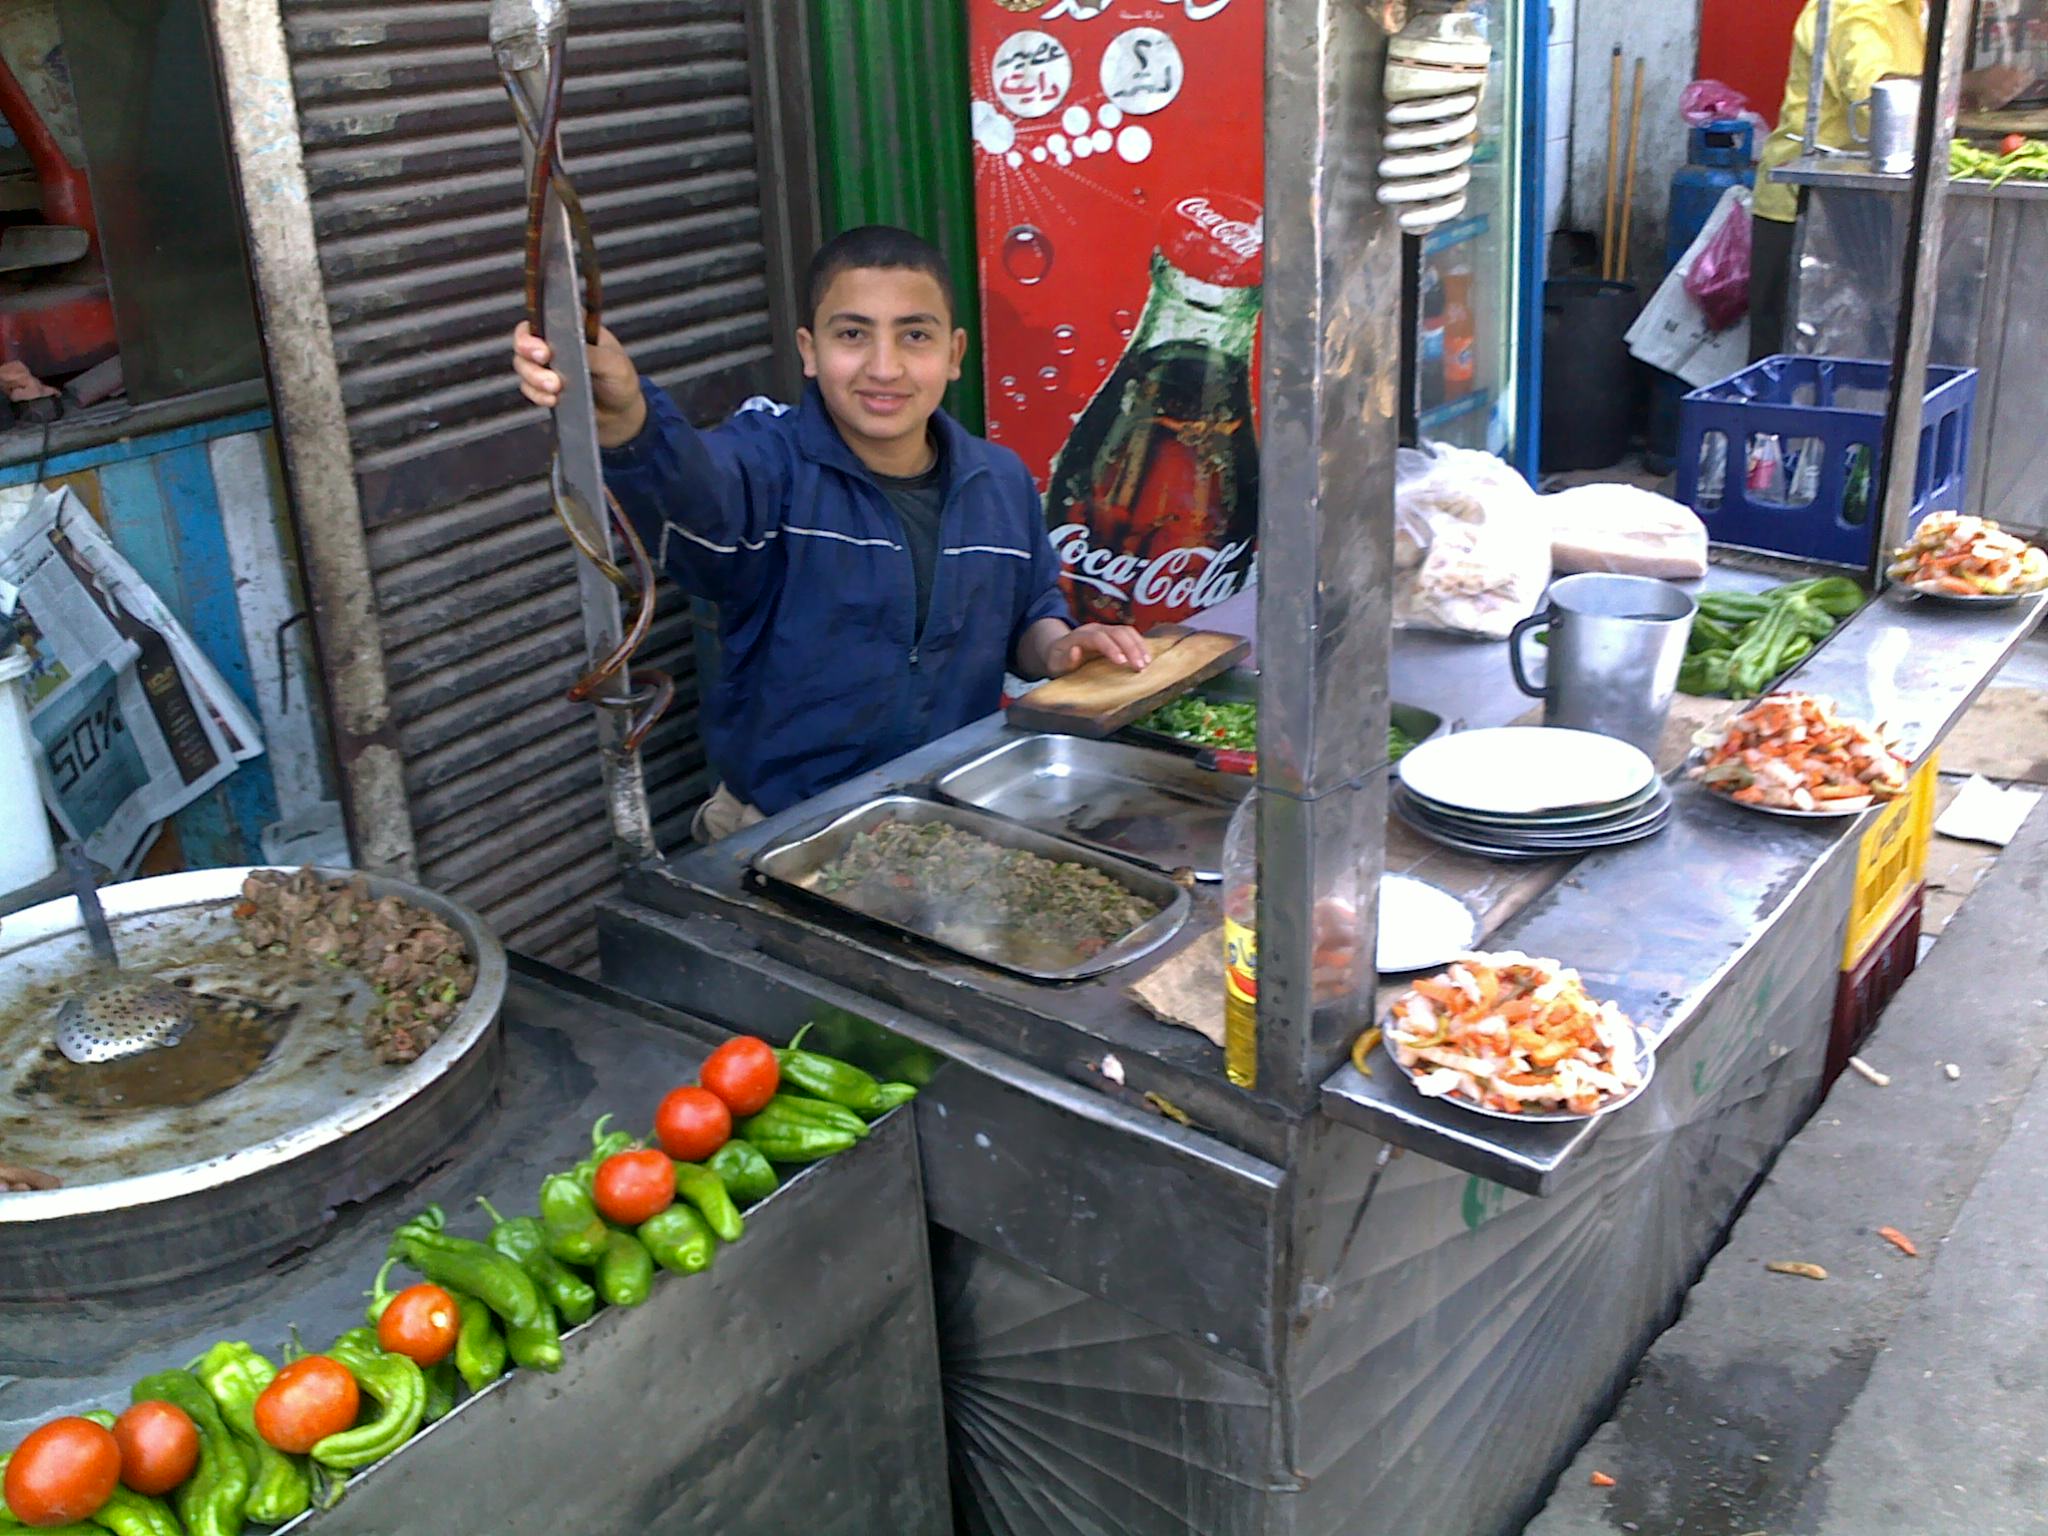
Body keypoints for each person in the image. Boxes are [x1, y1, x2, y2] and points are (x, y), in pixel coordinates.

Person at [512, 225, 1148, 843]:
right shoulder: (770, 465)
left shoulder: (1000, 480)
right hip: (785, 834)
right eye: (852, 334)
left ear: (953, 354)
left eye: (914, 336)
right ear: (809, 350)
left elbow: (1027, 615)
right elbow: (696, 500)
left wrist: (1061, 648)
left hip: (952, 827)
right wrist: (629, 417)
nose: (884, 366)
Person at [1752, 0, 2027, 359]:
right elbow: (1875, 93)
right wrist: (1969, 83)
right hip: (1808, 210)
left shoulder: (1912, 11)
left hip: (1865, 211)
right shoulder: (1859, 6)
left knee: (1863, 364)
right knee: (1794, 364)